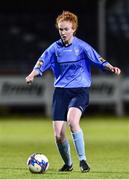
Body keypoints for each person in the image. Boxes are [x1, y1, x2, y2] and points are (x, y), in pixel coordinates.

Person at [25, 11, 121, 173]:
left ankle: (83, 161)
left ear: (73, 29)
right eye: (60, 29)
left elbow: (98, 59)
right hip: (61, 92)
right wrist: (32, 74)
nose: (63, 32)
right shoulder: (54, 48)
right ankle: (68, 164)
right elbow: (41, 62)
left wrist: (110, 67)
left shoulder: (82, 46)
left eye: (66, 29)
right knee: (58, 134)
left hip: (79, 91)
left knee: (72, 121)